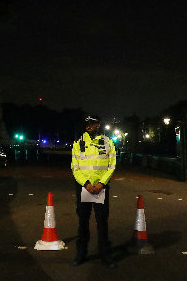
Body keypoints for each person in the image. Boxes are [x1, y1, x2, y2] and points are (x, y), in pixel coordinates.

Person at [71, 115, 117, 268]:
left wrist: (102, 183)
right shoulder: (78, 143)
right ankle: (81, 254)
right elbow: (75, 167)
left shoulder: (107, 142)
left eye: (92, 123)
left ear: (98, 125)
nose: (89, 126)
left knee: (102, 223)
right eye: (87, 124)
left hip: (101, 188)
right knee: (83, 223)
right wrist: (86, 183)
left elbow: (112, 165)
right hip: (84, 187)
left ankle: (105, 255)